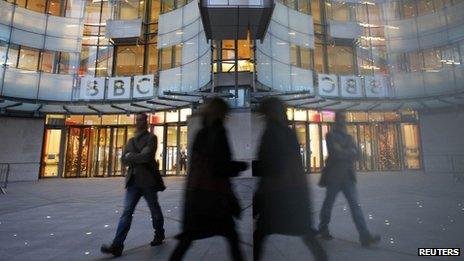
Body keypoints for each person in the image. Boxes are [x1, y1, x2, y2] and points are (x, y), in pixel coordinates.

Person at [169, 98, 248, 261]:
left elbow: (200, 167)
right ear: (220, 112)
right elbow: (220, 167)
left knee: (188, 238)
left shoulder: (201, 133)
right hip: (214, 198)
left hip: (197, 195)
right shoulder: (218, 131)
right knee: (231, 236)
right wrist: (241, 166)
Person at [253, 97, 327, 261]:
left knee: (261, 233)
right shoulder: (287, 131)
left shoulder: (272, 132)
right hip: (294, 191)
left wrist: (254, 173)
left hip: (277, 194)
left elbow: (268, 166)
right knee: (305, 233)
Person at [101, 113, 166, 257]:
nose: (138, 122)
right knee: (126, 213)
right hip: (133, 182)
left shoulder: (151, 138)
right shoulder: (130, 141)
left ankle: (159, 233)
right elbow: (123, 160)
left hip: (148, 181)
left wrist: (131, 157)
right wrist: (134, 157)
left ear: (146, 122)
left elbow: (147, 156)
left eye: (141, 120)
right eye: (137, 120)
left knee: (154, 210)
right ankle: (117, 245)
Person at [318, 112, 380, 247]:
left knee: (355, 206)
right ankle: (323, 228)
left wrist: (346, 151)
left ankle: (365, 236)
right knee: (328, 204)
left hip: (348, 177)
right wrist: (350, 152)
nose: (343, 121)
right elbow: (335, 153)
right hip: (334, 177)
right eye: (341, 119)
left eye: (344, 119)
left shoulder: (349, 137)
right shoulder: (330, 135)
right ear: (336, 121)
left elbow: (358, 155)